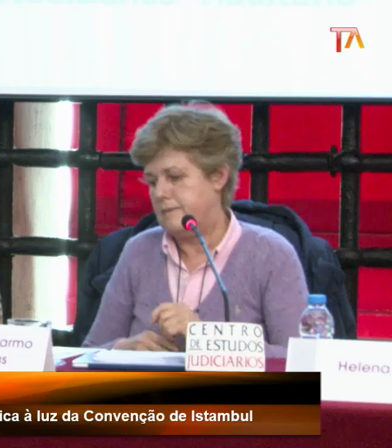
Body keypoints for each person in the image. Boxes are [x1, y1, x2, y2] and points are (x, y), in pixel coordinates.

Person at [82, 102, 308, 358]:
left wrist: (204, 337)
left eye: (175, 177)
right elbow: (87, 353)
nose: (160, 193)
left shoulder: (271, 254)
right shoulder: (138, 250)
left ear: (218, 177)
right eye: (152, 181)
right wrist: (122, 349)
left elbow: (300, 360)